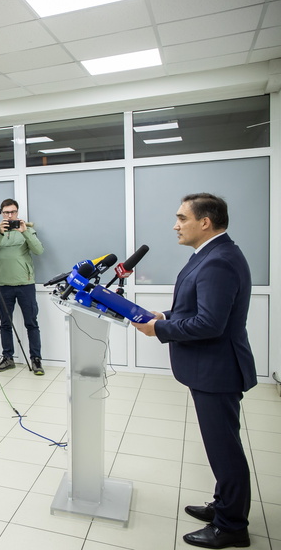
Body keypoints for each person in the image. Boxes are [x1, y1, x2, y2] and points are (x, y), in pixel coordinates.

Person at [132, 193, 255, 549]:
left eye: (182, 218)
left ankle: (232, 526)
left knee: (224, 450)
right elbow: (197, 308)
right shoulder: (213, 254)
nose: (175, 225)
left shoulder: (219, 260)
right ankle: (223, 506)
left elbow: (211, 323)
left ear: (205, 222)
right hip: (211, 369)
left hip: (217, 370)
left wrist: (161, 330)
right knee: (221, 446)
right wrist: (166, 316)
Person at [0, 199, 45, 376]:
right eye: (6, 212)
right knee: (5, 323)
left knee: (31, 323)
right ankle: (8, 358)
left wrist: (25, 233)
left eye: (12, 212)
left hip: (26, 284)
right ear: (2, 214)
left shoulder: (27, 229)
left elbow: (39, 251)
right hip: (4, 285)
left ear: (17, 212)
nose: (9, 215)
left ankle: (36, 359)